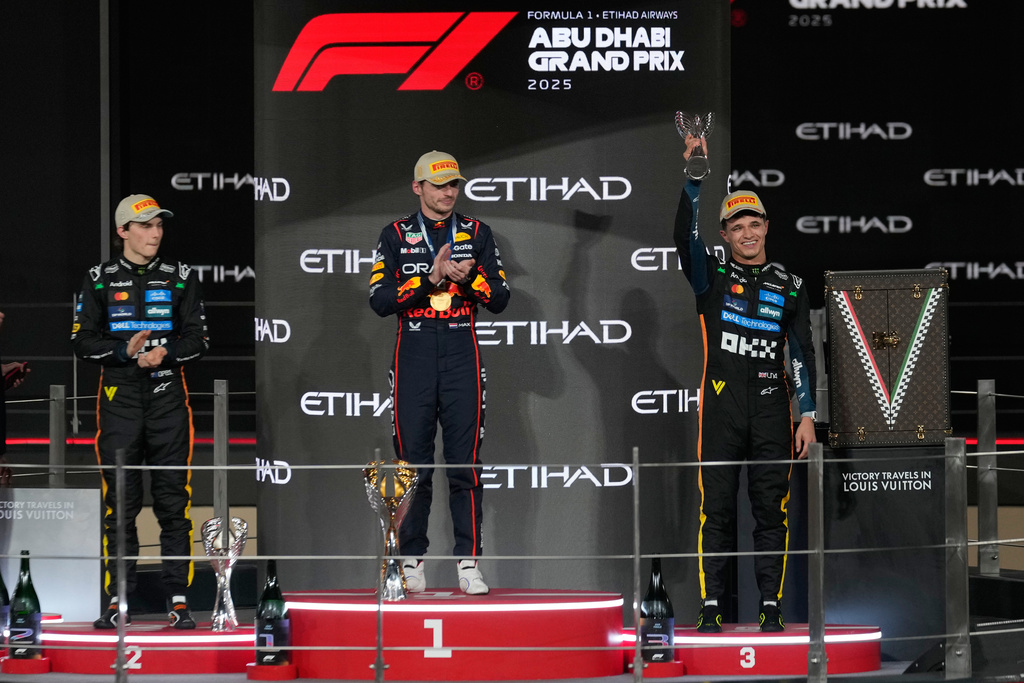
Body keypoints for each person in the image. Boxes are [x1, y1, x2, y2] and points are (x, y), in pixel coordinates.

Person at [673, 136, 816, 633]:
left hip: (775, 411)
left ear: (766, 228)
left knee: (769, 513)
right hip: (721, 409)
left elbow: (800, 352)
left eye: (755, 223)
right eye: (738, 227)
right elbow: (682, 239)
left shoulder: (790, 284)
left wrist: (809, 415)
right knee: (716, 510)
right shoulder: (708, 276)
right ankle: (711, 605)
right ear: (725, 234)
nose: (748, 233)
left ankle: (769, 607)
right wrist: (694, 182)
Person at [369, 150, 510, 595]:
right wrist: (429, 280)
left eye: (454, 184)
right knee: (413, 466)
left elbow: (501, 296)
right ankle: (411, 559)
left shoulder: (477, 233)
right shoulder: (393, 235)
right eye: (439, 184)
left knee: (465, 463)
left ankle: (469, 564)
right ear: (418, 187)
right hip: (411, 350)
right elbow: (380, 300)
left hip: (460, 348)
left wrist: (467, 279)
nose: (449, 191)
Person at [72, 194, 209, 629]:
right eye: (146, 225)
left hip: (169, 397)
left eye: (159, 225)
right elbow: (80, 340)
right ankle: (119, 600)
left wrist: (164, 354)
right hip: (119, 399)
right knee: (122, 503)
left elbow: (199, 339)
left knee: (173, 502)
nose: (155, 233)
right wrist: (122, 352)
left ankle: (179, 598)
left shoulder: (181, 276)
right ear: (123, 232)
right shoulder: (99, 278)